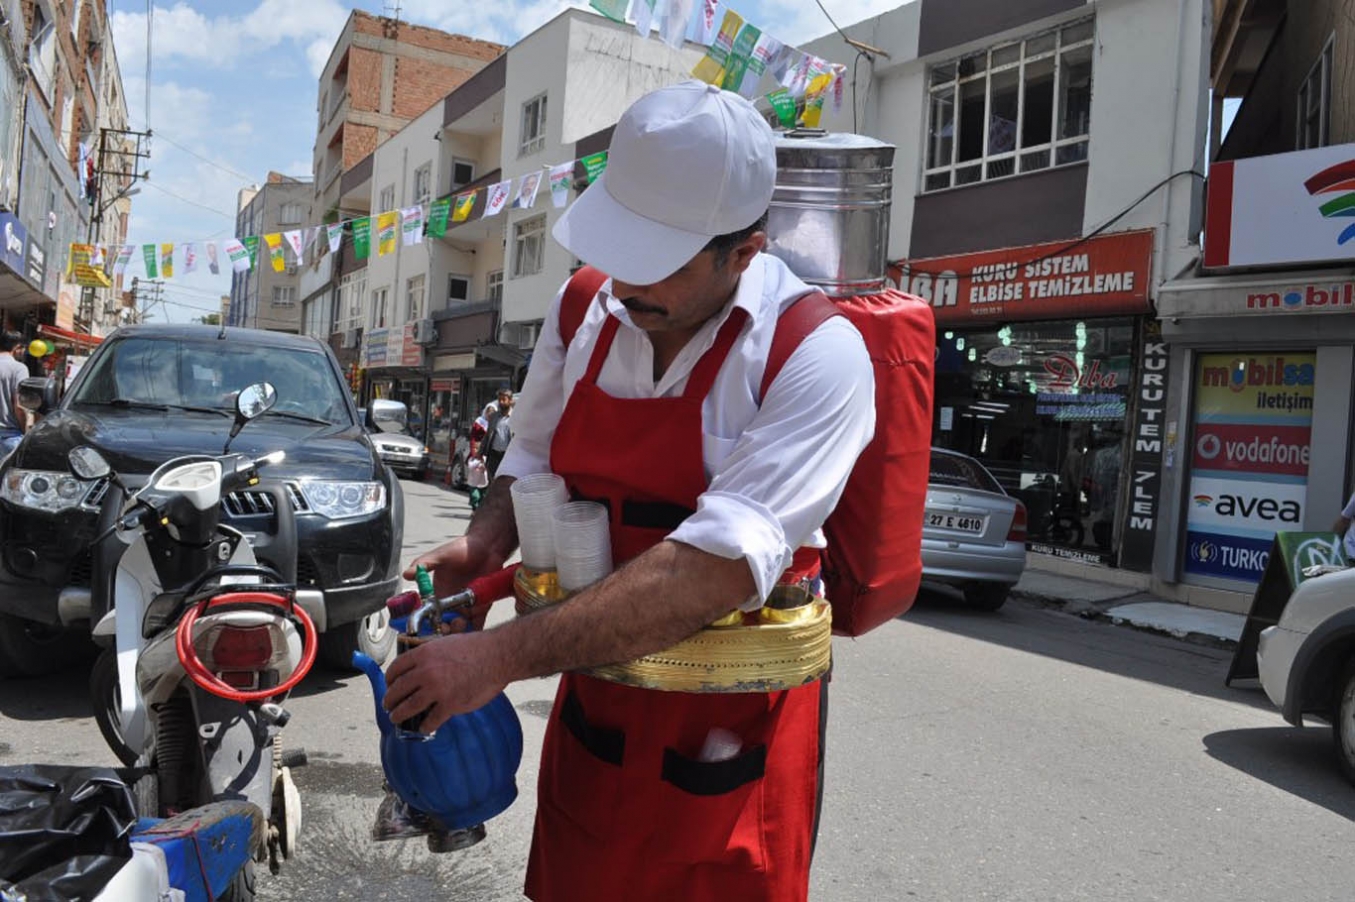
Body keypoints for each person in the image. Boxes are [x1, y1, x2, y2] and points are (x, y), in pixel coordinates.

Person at [382, 81, 874, 901]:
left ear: (742, 252)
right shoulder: (583, 309)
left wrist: (497, 657)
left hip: (730, 730)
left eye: (659, 261)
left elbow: (712, 566)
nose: (627, 283)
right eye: (620, 249)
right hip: (597, 705)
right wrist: (485, 543)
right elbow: (532, 451)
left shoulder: (815, 354)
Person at [0, 333, 30, 457]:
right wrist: (25, 431)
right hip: (8, 436)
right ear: (17, 348)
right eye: (23, 349)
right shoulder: (19, 368)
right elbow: (19, 405)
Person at [482, 389, 513, 479]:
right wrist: (480, 453)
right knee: (492, 479)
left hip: (508, 456)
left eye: (504, 399)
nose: (501, 402)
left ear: (510, 401)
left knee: (505, 480)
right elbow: (488, 435)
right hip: (494, 455)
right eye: (499, 400)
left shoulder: (515, 416)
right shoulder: (494, 416)